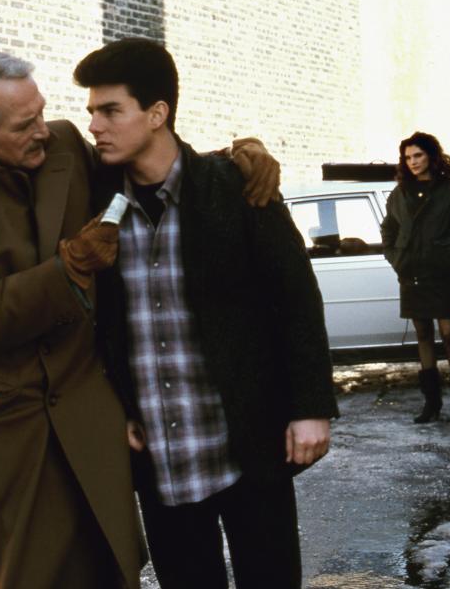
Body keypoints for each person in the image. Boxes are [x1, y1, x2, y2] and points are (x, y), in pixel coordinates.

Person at [0, 52, 280, 589]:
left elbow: (148, 160)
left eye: (41, 113)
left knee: (107, 563)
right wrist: (68, 268)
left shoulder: (64, 146)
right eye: (23, 124)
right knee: (20, 572)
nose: (42, 130)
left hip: (88, 401)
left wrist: (235, 157)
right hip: (12, 421)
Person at [73, 37, 339, 589]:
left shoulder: (236, 186)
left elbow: (295, 297)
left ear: (157, 113)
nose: (94, 125)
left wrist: (311, 406)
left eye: (110, 110)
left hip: (245, 440)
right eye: (91, 111)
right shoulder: (95, 199)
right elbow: (101, 325)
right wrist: (113, 404)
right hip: (161, 453)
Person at [380, 131, 450, 425]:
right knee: (423, 334)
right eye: (408, 157)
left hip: (441, 274)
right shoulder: (399, 193)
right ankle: (432, 404)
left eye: (418, 155)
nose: (413, 162)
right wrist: (396, 258)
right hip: (411, 273)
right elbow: (388, 230)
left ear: (431, 156)